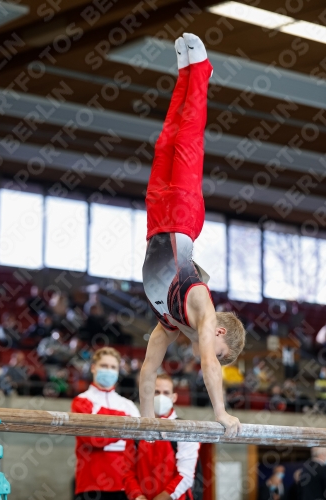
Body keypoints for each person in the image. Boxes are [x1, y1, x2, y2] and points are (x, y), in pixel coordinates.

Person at [140, 33, 246, 437]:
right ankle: (201, 72)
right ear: (219, 333)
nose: (208, 354)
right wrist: (221, 413)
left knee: (165, 140)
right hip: (182, 219)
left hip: (155, 220)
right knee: (187, 140)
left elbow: (150, 367)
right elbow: (207, 364)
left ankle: (183, 73)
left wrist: (146, 423)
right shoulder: (200, 305)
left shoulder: (170, 322)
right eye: (219, 354)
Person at [72, 347, 140, 500]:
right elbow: (93, 439)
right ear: (93, 367)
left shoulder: (128, 405)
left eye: (113, 367)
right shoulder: (81, 401)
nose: (108, 370)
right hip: (91, 483)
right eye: (104, 366)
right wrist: (125, 423)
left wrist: (105, 425)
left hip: (126, 484)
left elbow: (138, 445)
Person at [124, 373, 200, 500]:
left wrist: (164, 497)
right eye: (156, 392)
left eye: (166, 393)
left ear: (174, 397)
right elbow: (128, 472)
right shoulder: (137, 429)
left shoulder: (185, 428)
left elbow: (186, 476)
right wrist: (138, 496)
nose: (161, 397)